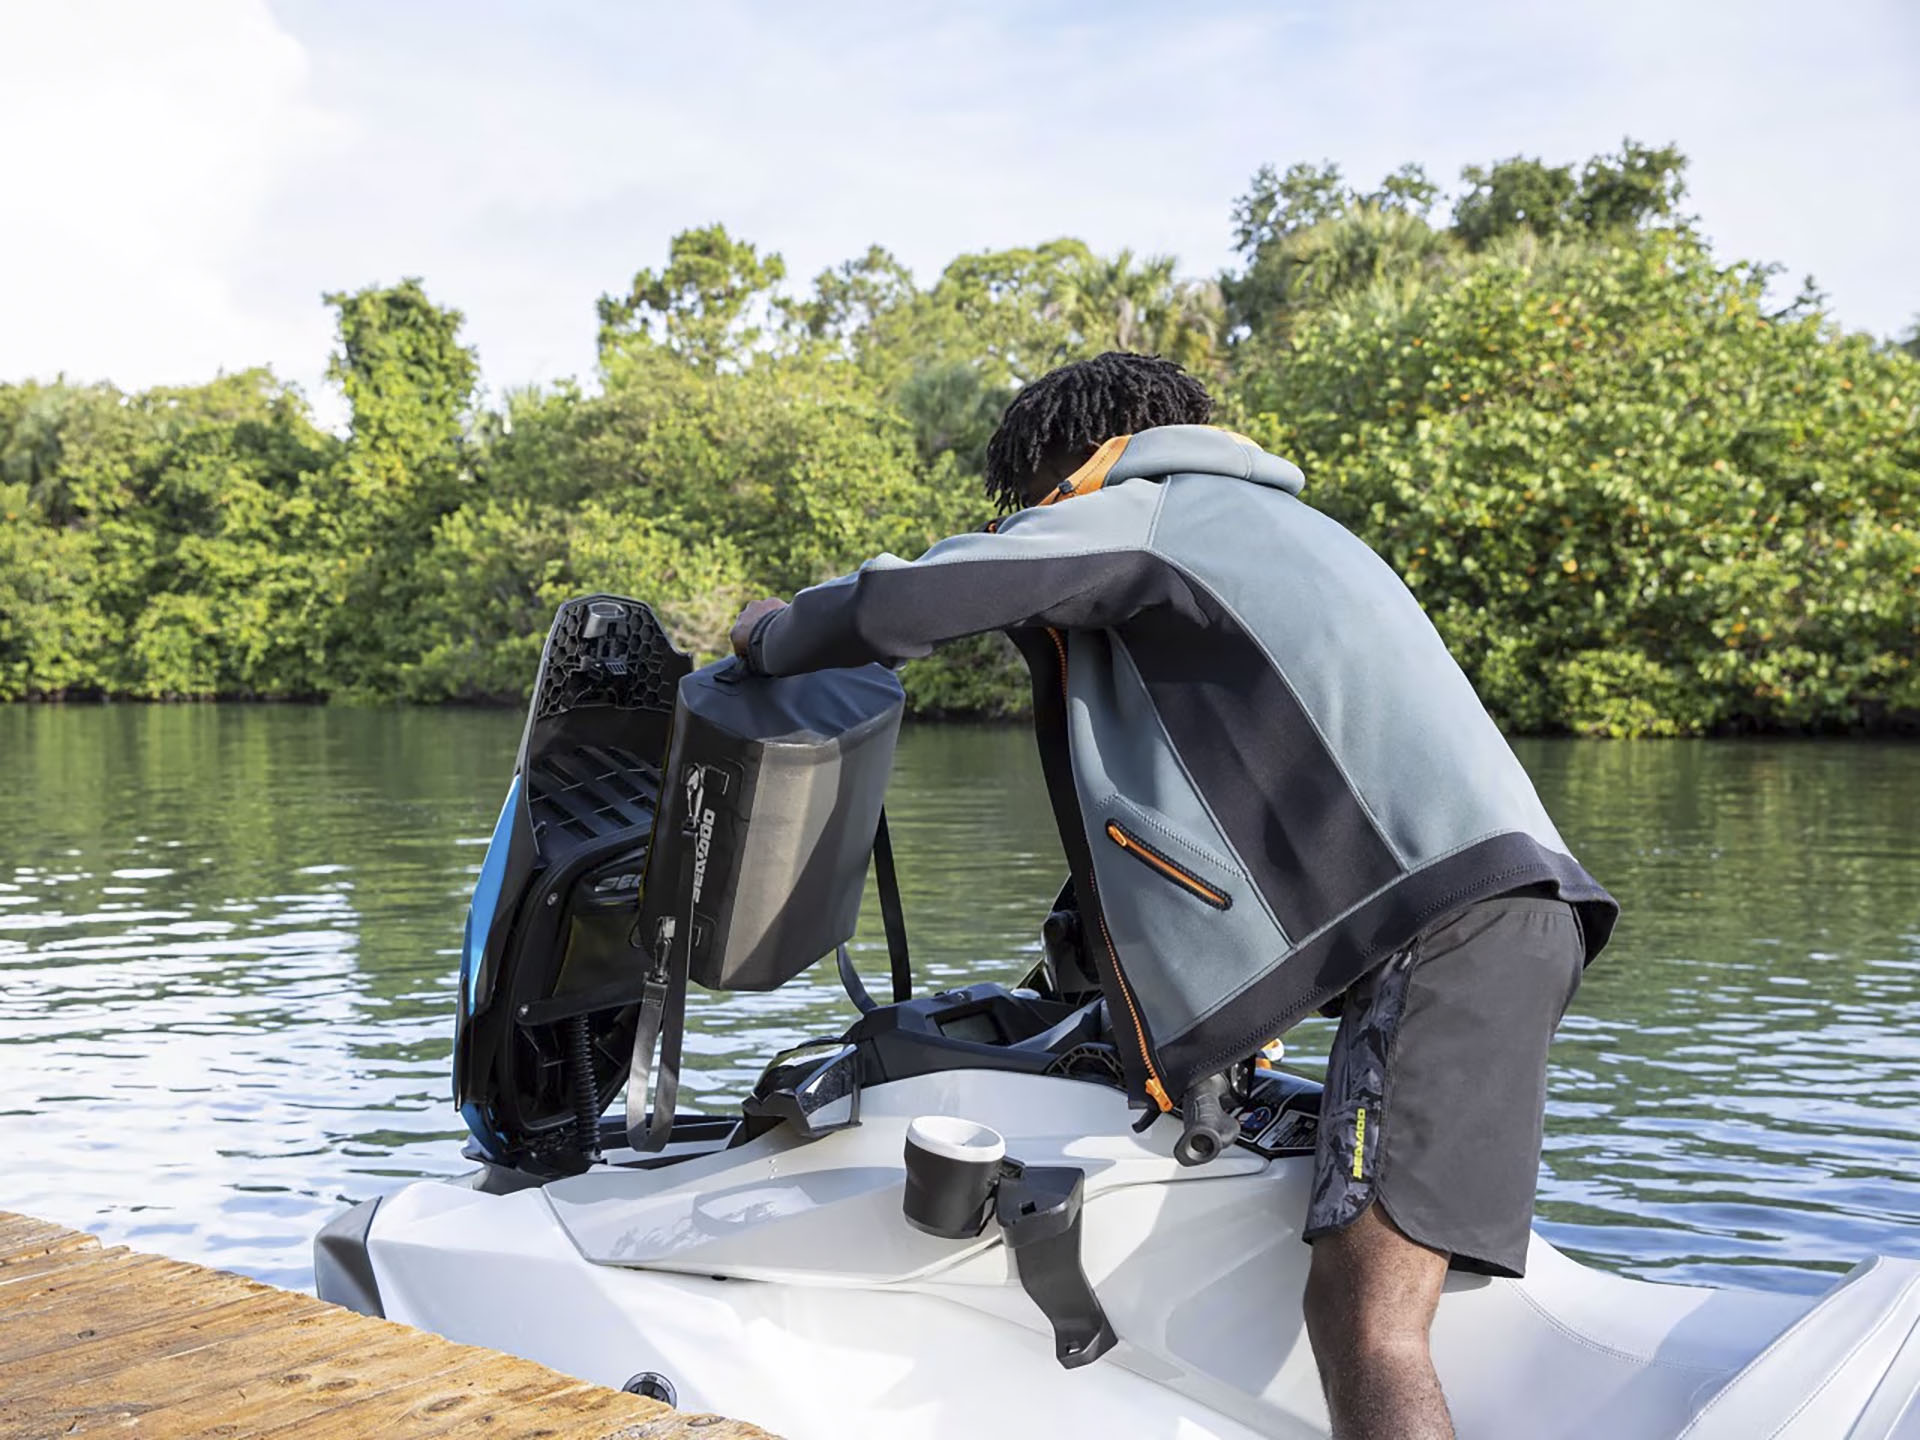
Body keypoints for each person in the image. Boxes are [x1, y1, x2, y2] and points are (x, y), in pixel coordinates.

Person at [729, 351, 1616, 1440]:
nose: (1038, 521)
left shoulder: (1150, 513)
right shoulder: (1286, 532)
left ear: (1074, 468)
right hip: (1511, 916)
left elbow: (923, 594)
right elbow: (1232, 817)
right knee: (1379, 1293)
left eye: (1037, 502)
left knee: (1367, 1318)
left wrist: (773, 634)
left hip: (1450, 936)